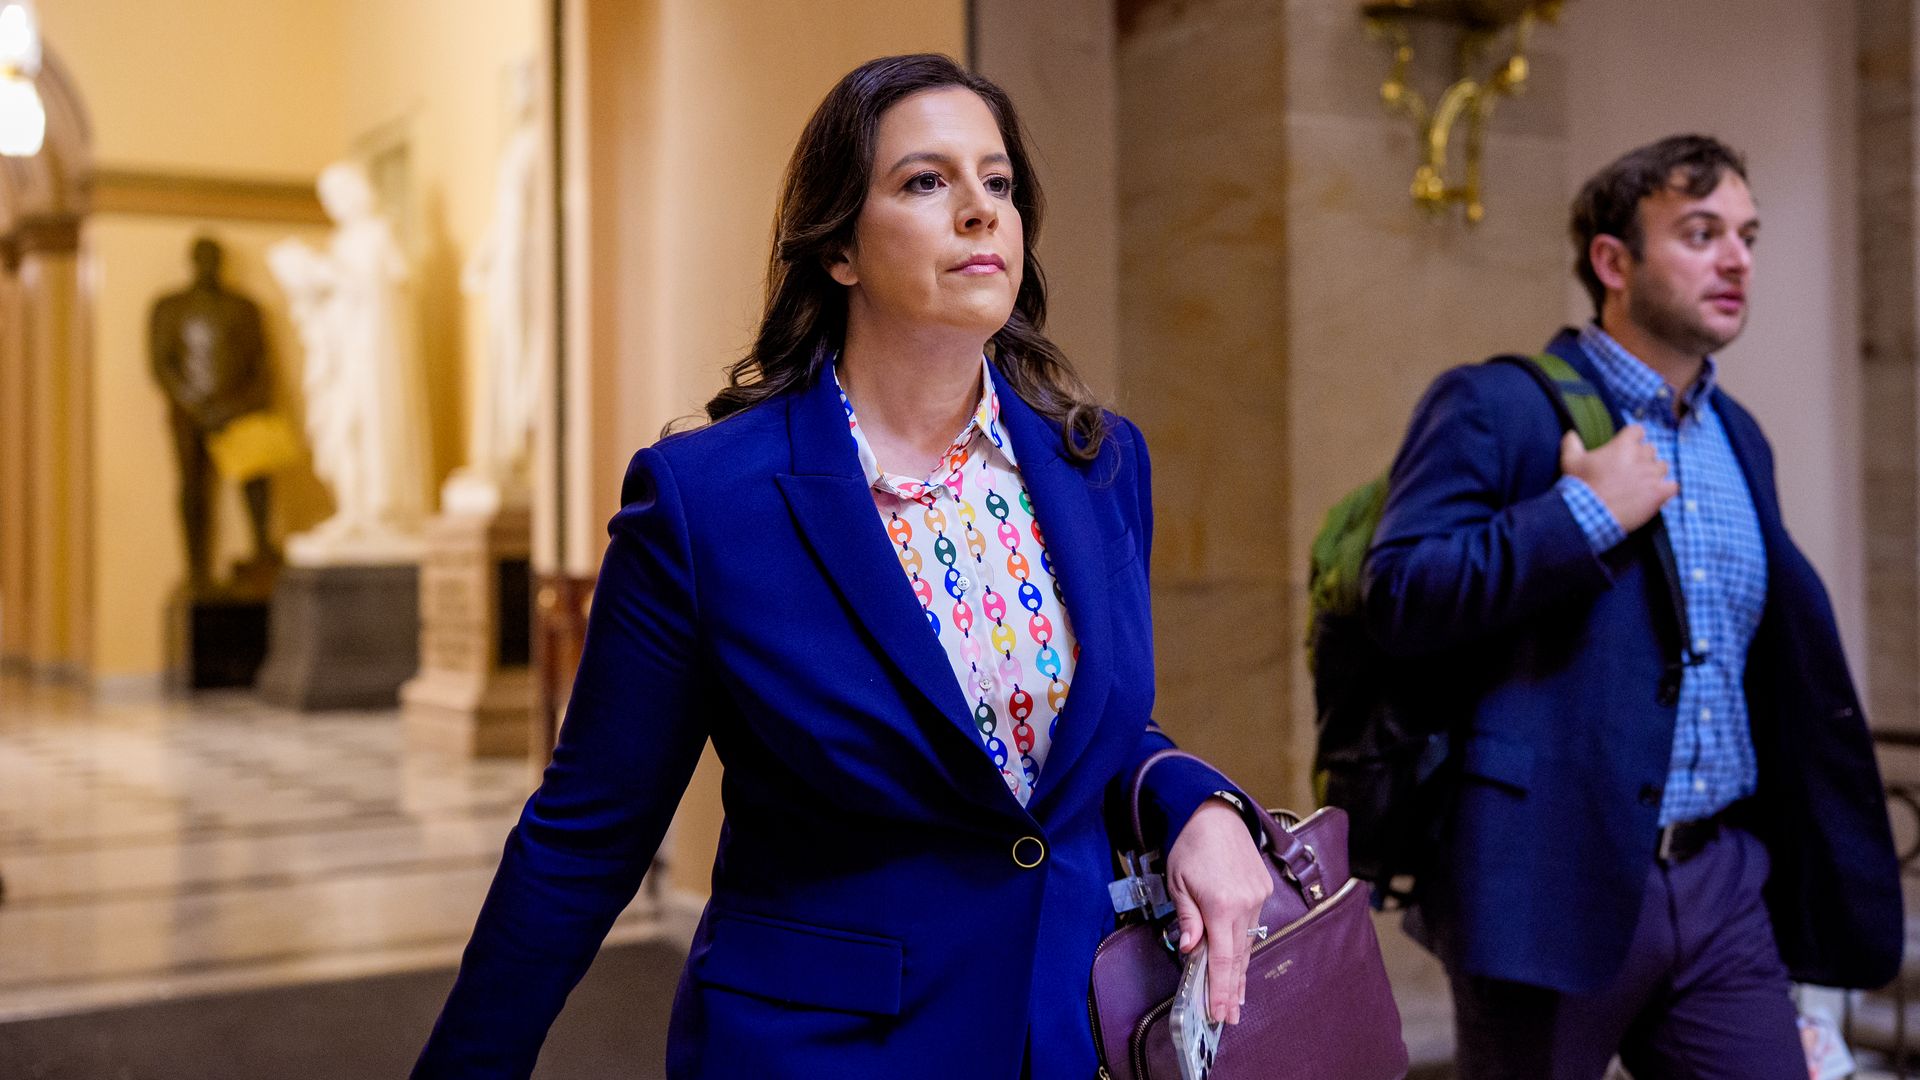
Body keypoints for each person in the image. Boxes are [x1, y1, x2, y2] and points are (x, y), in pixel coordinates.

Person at [413, 53, 1271, 1079]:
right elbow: (584, 837)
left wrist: (1199, 805)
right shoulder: (707, 502)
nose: (979, 211)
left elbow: (1075, 734)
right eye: (925, 181)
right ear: (841, 251)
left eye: (997, 183)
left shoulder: (1098, 462)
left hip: (1065, 1033)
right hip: (824, 1048)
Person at [1364, 134, 1902, 1079]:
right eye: (1701, 233)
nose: (1736, 258)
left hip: (1721, 879)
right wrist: (1581, 515)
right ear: (1613, 261)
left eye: (1746, 235)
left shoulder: (1742, 437)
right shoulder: (1498, 406)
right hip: (1546, 877)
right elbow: (1401, 597)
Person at [148, 237, 277, 592]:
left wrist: (235, 406)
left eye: (213, 258)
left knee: (256, 485)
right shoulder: (171, 306)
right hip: (190, 414)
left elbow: (260, 364)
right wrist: (197, 404)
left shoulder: (242, 307)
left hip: (238, 410)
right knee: (193, 490)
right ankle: (197, 569)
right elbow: (162, 363)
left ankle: (262, 551)